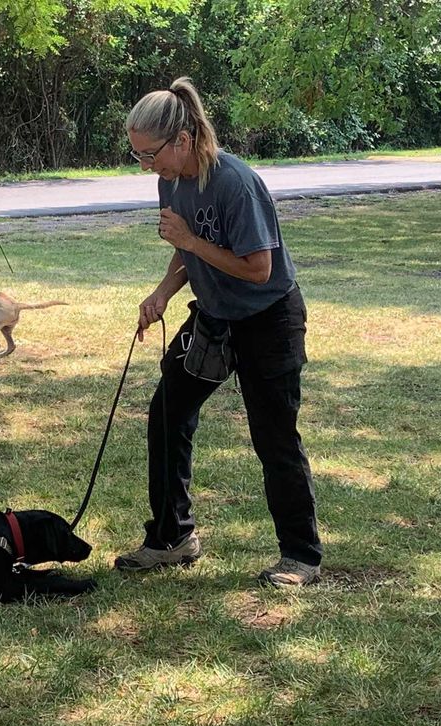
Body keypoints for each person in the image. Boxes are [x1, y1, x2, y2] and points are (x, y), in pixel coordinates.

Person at [113, 77, 323, 587]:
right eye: (137, 155)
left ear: (182, 140)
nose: (146, 167)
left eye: (150, 154)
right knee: (168, 414)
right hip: (214, 316)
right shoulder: (171, 180)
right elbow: (189, 249)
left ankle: (301, 557)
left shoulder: (234, 182)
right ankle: (172, 538)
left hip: (268, 319)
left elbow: (257, 268)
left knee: (274, 437)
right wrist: (162, 293)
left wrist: (189, 240)